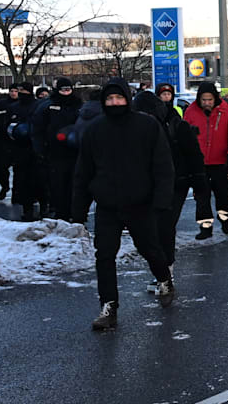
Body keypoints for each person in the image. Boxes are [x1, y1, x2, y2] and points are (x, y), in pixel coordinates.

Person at [71, 79, 175, 331]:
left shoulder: (146, 126)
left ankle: (164, 279)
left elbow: (162, 165)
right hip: (107, 204)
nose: (114, 103)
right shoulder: (95, 129)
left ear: (127, 99)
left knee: (149, 248)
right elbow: (83, 171)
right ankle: (109, 306)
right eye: (109, 99)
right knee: (104, 255)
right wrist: (79, 209)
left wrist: (162, 199)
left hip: (140, 202)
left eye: (119, 98)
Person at [142, 88, 205, 274]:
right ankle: (161, 269)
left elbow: (194, 155)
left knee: (165, 226)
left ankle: (166, 269)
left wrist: (199, 182)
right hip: (150, 184)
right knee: (152, 228)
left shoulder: (177, 126)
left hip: (178, 182)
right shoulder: (138, 130)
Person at [183, 82, 228, 239]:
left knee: (222, 194)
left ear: (215, 98)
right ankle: (205, 226)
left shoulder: (226, 110)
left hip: (221, 161)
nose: (207, 103)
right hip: (199, 163)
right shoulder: (191, 112)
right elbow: (185, 137)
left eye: (209, 99)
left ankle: (224, 218)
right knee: (202, 196)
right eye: (203, 100)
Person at [31, 77, 81, 221]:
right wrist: (40, 150)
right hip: (54, 153)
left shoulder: (77, 105)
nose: (66, 93)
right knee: (57, 186)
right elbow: (37, 129)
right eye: (63, 90)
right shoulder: (47, 106)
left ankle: (74, 215)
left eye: (68, 89)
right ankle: (61, 214)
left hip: (74, 152)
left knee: (75, 186)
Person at [5, 83, 41, 220]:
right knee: (23, 180)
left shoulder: (37, 106)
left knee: (38, 180)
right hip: (20, 148)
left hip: (36, 148)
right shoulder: (13, 108)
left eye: (22, 90)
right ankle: (28, 209)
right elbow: (6, 126)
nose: (20, 93)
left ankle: (43, 206)